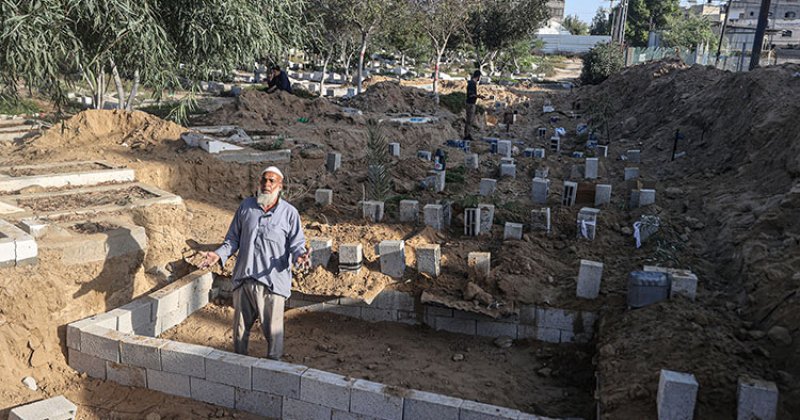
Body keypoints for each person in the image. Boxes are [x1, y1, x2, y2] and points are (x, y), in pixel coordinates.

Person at [200, 166, 310, 360]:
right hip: (244, 279)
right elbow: (232, 239)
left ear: (280, 185)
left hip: (272, 284)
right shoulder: (246, 207)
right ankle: (239, 369)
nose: (266, 184)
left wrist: (300, 255)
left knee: (273, 335)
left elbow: (297, 244)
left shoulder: (289, 213)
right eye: (264, 180)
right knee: (240, 332)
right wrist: (217, 255)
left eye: (272, 181)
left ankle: (272, 372)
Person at [464, 70, 485, 140]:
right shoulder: (472, 84)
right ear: (478, 76)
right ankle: (466, 136)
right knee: (469, 120)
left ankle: (468, 134)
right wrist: (479, 96)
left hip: (470, 103)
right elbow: (471, 95)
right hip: (470, 104)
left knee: (470, 120)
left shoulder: (472, 83)